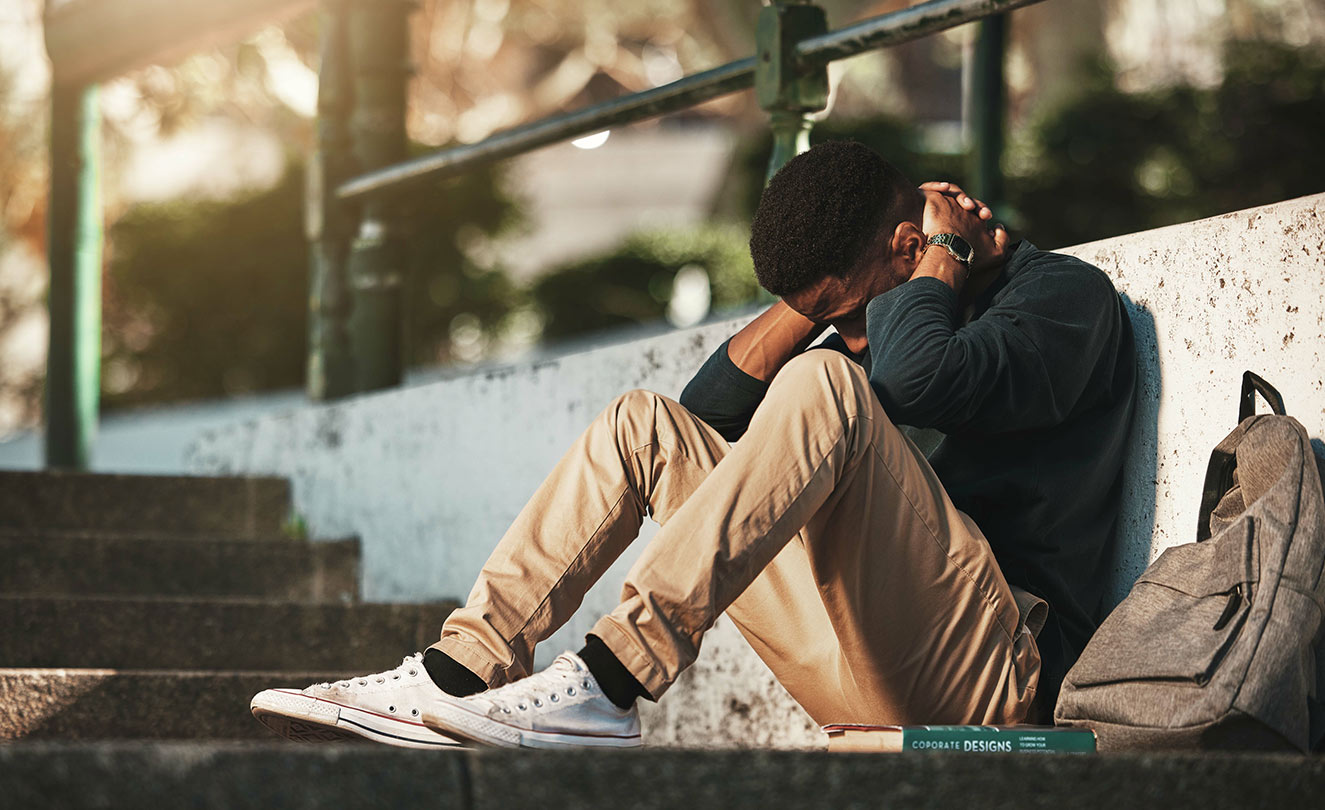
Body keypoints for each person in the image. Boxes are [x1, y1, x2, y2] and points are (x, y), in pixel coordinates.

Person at [251, 140, 1136, 750]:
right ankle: (457, 672)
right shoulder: (884, 319)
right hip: (862, 664)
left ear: (911, 249)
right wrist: (815, 300)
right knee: (644, 425)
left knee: (820, 384)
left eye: (848, 312)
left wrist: (936, 257)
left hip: (999, 679)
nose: (846, 336)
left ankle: (610, 682)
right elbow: (705, 416)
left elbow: (917, 379)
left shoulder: (1060, 301)